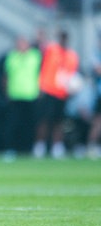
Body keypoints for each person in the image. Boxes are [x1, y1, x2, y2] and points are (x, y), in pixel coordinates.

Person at [33, 30, 79, 159]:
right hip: (48, 90)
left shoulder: (72, 55)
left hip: (62, 93)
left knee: (59, 122)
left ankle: (57, 146)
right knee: (44, 120)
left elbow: (72, 76)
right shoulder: (52, 50)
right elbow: (41, 44)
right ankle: (40, 146)